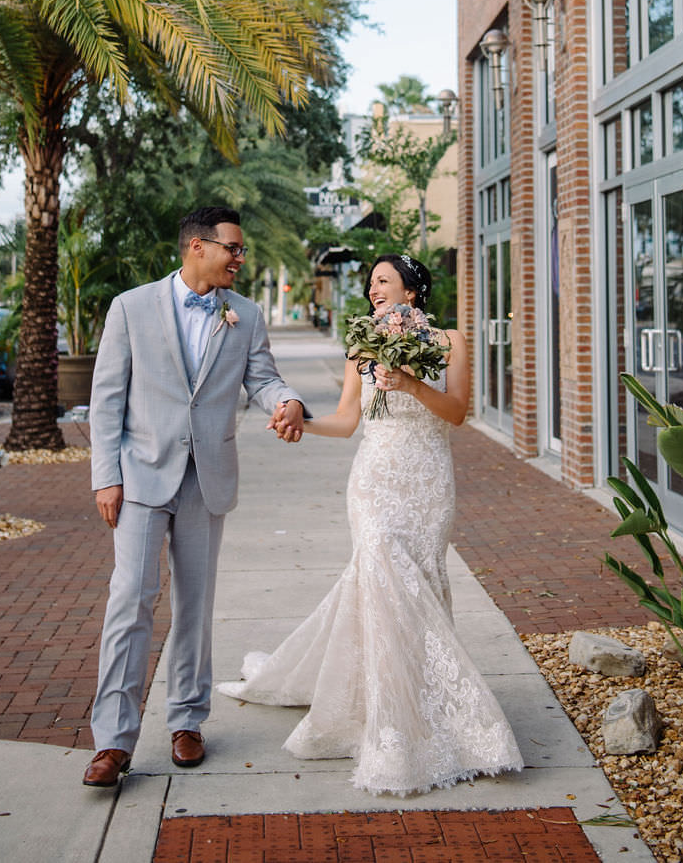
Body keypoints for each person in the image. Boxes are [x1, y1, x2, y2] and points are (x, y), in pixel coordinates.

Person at [217, 253, 523, 797]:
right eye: (370, 284)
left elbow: (456, 412)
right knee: (382, 572)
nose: (373, 289)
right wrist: (301, 422)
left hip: (428, 483)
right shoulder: (361, 345)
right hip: (375, 482)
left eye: (383, 281)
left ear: (411, 291)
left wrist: (408, 384)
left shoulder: (451, 340)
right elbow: (347, 421)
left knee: (419, 584)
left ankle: (423, 704)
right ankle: (388, 723)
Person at [82, 205, 307, 787]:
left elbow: (262, 378)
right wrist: (105, 475)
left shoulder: (246, 315)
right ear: (196, 248)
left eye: (241, 249)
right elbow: (107, 400)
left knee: (195, 605)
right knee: (130, 599)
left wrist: (287, 402)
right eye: (232, 248)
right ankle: (113, 740)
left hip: (206, 476)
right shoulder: (130, 308)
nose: (240, 257)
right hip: (140, 478)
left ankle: (186, 720)